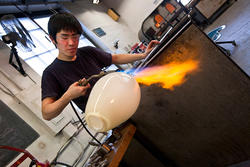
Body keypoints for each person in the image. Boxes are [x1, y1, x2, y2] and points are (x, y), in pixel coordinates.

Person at [41, 12, 159, 121]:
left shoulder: (88, 52)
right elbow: (46, 113)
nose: (71, 42)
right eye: (65, 37)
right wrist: (68, 96)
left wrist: (143, 55)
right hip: (108, 118)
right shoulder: (51, 73)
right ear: (53, 39)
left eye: (75, 36)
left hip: (123, 101)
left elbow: (115, 58)